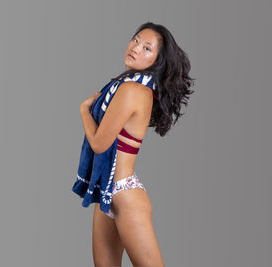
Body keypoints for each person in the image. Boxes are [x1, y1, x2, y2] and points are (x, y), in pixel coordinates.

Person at [78, 22, 194, 267]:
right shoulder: (123, 86)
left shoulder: (133, 90)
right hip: (106, 193)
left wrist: (83, 111)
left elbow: (99, 144)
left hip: (126, 195)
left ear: (157, 61)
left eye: (147, 48)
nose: (136, 47)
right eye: (136, 40)